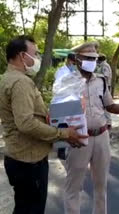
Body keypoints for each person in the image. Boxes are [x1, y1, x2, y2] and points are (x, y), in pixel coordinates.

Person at [0, 35, 87, 214]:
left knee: (24, 207)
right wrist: (64, 133)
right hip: (29, 161)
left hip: (18, 156)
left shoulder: (6, 78)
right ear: (22, 56)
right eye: (35, 53)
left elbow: (26, 117)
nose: (38, 57)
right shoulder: (20, 83)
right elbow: (26, 123)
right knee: (32, 209)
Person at [64, 42, 119, 214]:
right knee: (73, 187)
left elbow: (110, 106)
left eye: (95, 58)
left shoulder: (101, 81)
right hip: (78, 139)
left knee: (101, 186)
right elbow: (58, 113)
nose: (93, 61)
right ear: (78, 59)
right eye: (88, 58)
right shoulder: (66, 82)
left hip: (101, 137)